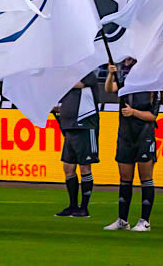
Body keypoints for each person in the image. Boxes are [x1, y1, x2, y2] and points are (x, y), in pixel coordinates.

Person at [104, 60, 158, 231]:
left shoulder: (152, 86)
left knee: (145, 179)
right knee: (125, 179)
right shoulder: (125, 83)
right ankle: (122, 219)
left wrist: (134, 112)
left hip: (144, 135)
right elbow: (109, 89)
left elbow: (153, 115)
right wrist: (111, 73)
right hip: (125, 135)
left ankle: (145, 220)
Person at [54, 67, 103, 219]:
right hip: (70, 127)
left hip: (85, 125)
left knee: (85, 167)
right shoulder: (67, 84)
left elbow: (78, 84)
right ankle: (73, 205)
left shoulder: (87, 74)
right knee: (68, 167)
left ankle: (84, 207)